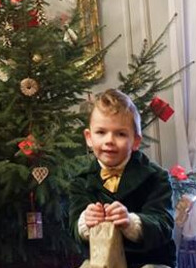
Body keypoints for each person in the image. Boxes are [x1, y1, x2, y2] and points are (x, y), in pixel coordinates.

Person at [69, 89, 176, 268]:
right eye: (101, 132)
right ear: (89, 137)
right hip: (101, 260)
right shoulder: (81, 182)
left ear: (135, 141)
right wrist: (85, 221)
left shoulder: (156, 177)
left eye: (120, 134)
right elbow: (73, 227)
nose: (109, 140)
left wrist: (130, 222)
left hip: (149, 261)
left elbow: (163, 224)